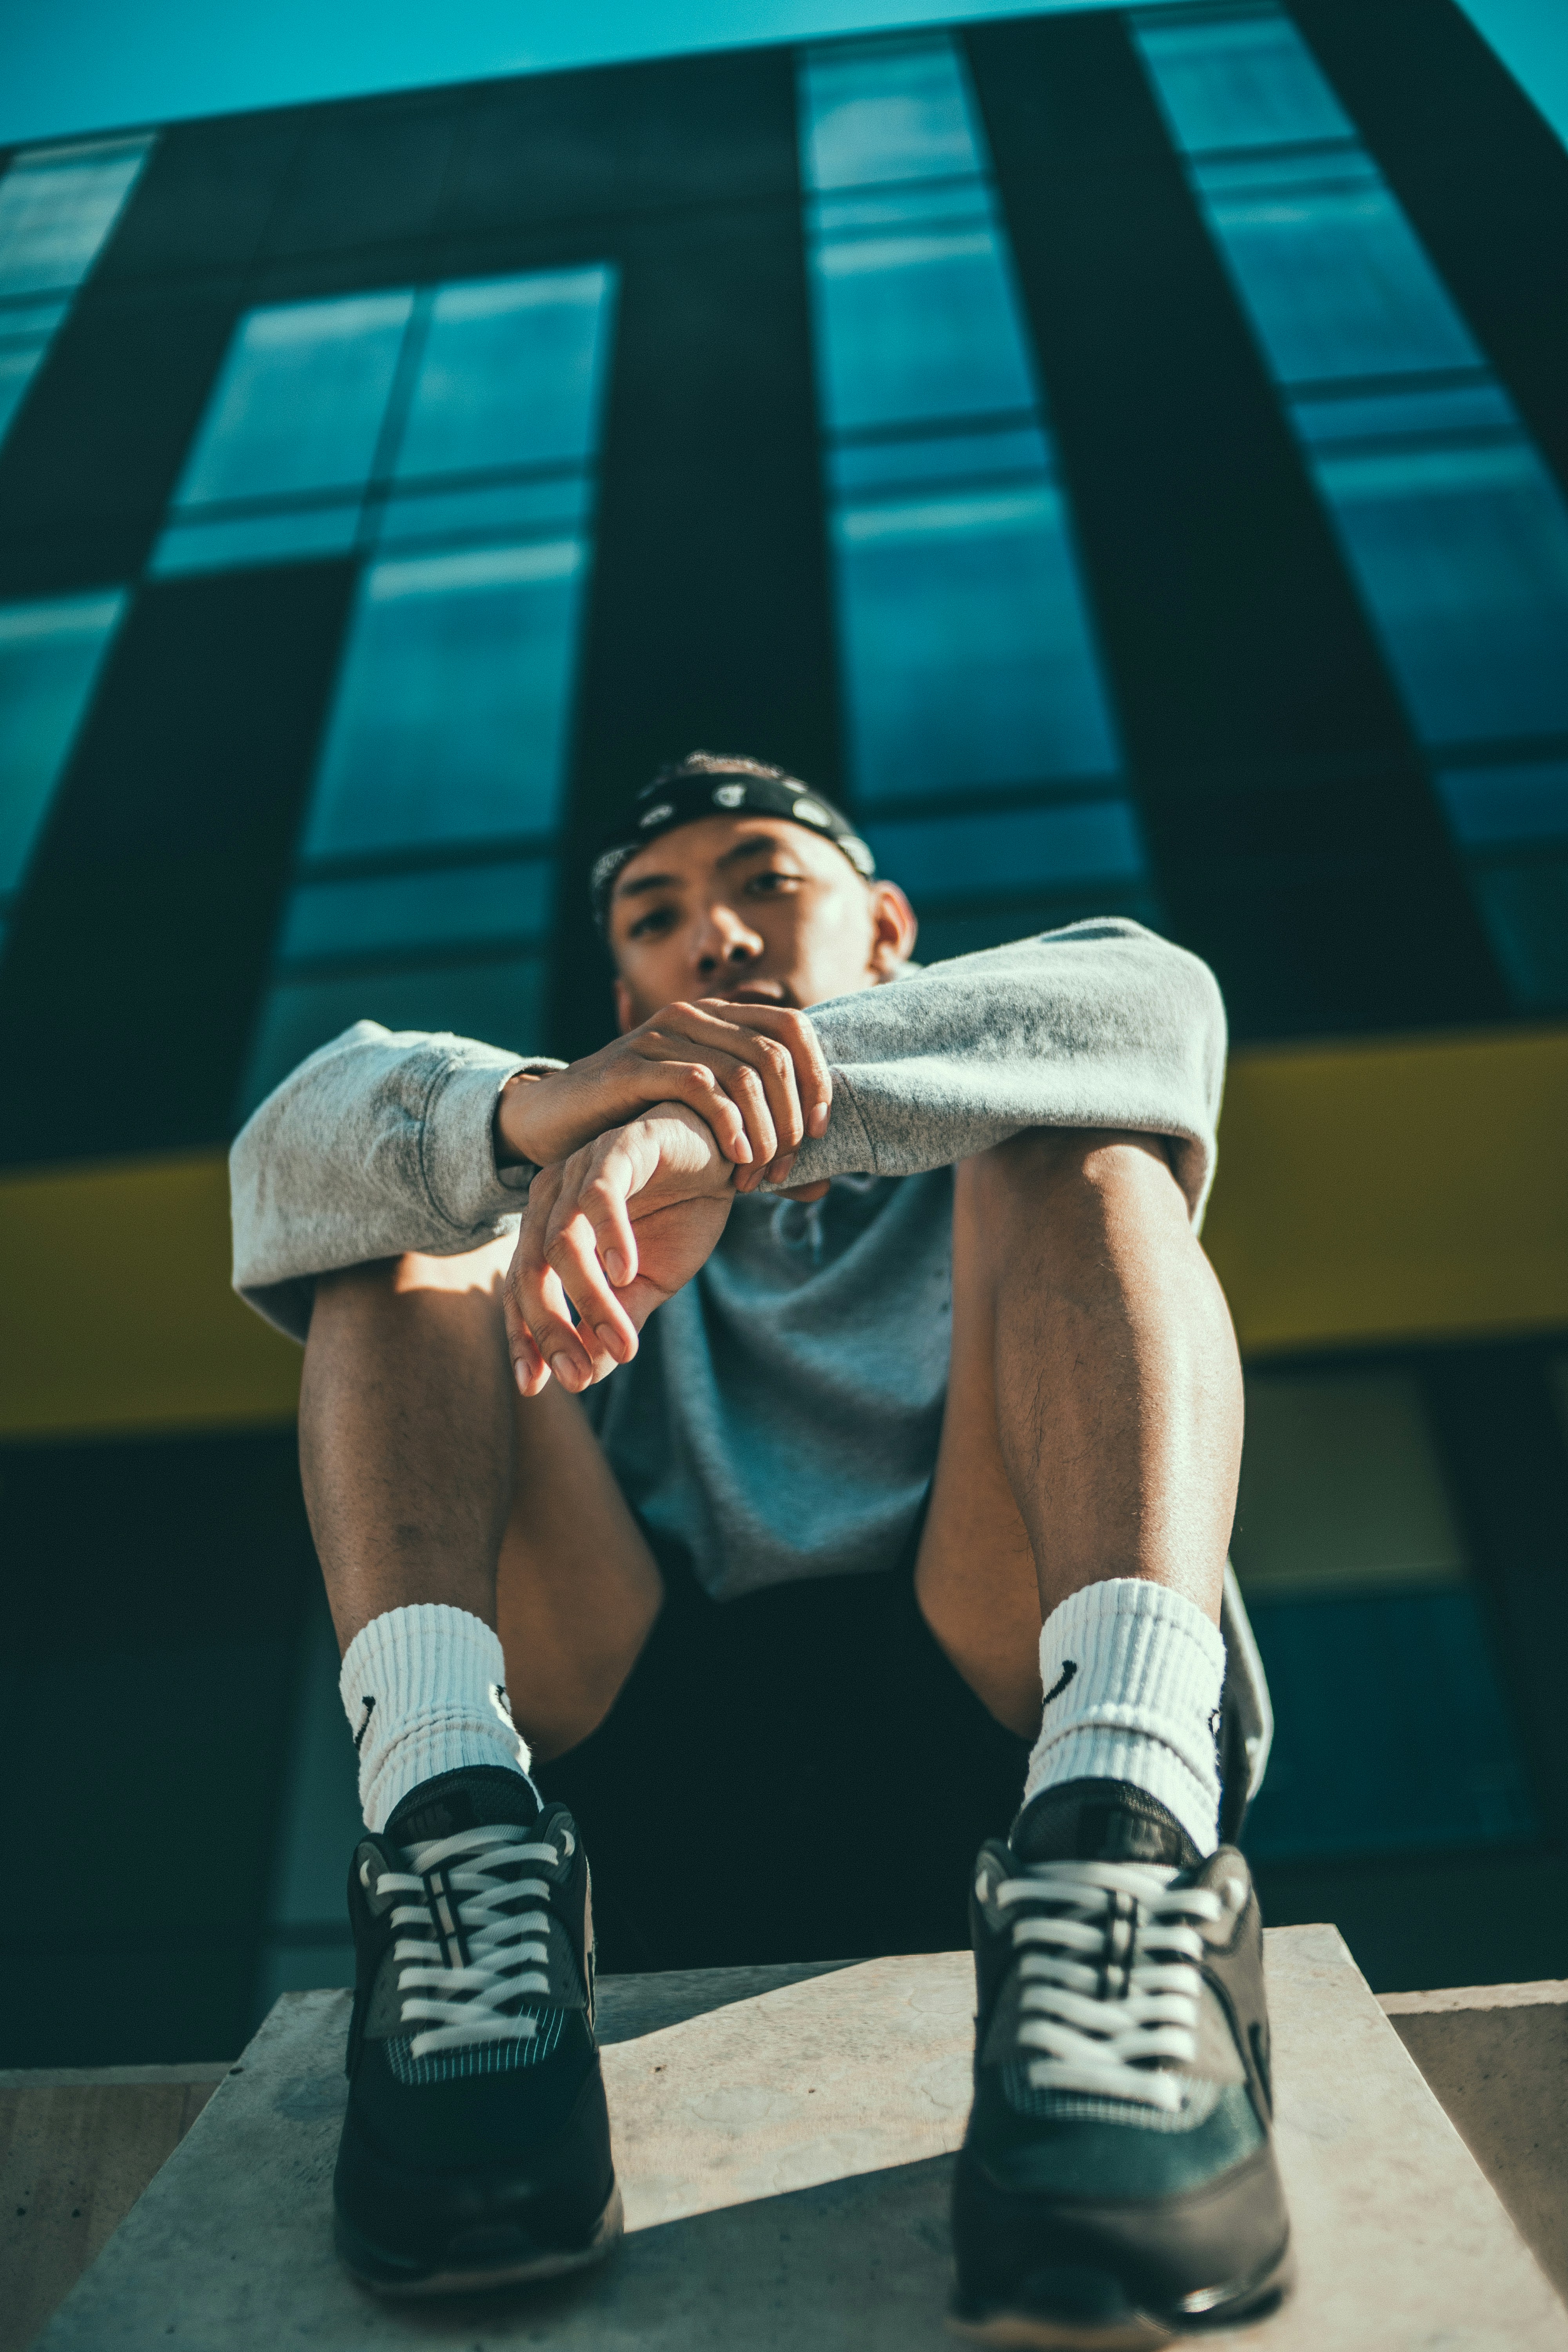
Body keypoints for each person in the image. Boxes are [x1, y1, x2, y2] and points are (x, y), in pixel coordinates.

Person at [230, 751, 1290, 2345]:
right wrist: (536, 1122)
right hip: (639, 1744)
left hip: (1000, 1711)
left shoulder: (997, 1051)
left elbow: (1143, 1004)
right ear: (625, 982)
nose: (711, 934)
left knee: (1077, 1129)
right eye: (658, 918)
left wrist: (715, 1136)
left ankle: (1133, 1842)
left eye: (763, 884)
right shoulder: (589, 1177)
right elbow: (287, 1156)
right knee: (411, 1213)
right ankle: (447, 1839)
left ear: (885, 929)